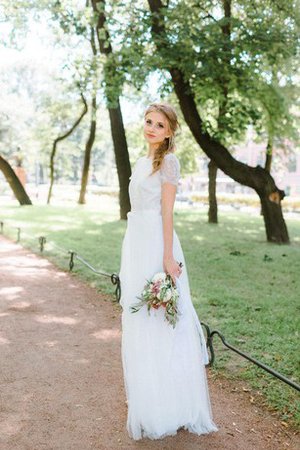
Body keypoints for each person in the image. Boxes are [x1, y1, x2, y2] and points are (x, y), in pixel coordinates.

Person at [118, 102, 218, 440]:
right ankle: (149, 401)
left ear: (170, 132)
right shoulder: (142, 161)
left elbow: (167, 214)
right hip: (136, 243)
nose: (151, 128)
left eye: (159, 125)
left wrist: (167, 258)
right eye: (148, 121)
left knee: (164, 321)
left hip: (158, 247)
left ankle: (172, 405)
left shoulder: (169, 163)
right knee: (141, 321)